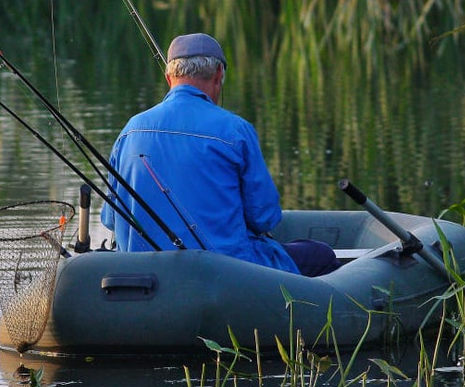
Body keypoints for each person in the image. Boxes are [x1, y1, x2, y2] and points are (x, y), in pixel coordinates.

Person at [101, 33, 338, 276]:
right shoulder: (236, 130)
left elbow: (110, 219)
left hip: (143, 279)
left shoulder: (130, 130)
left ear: (168, 78)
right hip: (228, 276)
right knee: (320, 256)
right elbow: (265, 218)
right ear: (217, 77)